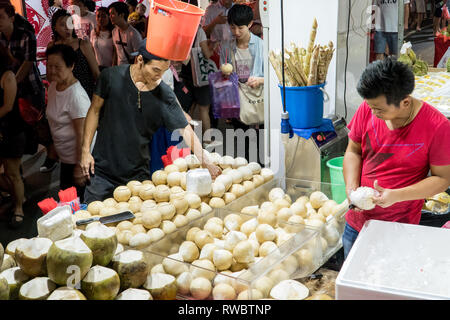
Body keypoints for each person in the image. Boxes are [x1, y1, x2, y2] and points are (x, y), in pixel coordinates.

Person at [79, 41, 222, 203]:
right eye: (155, 70)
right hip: (102, 172)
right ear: (140, 60)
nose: (159, 76)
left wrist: (206, 161)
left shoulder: (164, 94)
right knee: (92, 220)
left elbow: (185, 130)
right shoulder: (111, 77)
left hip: (137, 175)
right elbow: (94, 110)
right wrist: (85, 150)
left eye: (163, 71)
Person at [342, 57, 450, 259]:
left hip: (400, 229)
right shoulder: (369, 108)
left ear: (405, 102)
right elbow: (353, 150)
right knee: (352, 287)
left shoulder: (437, 126)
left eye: (380, 109)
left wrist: (396, 196)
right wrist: (351, 188)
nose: (372, 113)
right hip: (357, 224)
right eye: (370, 106)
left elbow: (443, 179)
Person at [0, 2, 56, 172]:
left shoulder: (25, 30)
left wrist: (12, 84)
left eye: (1, 17)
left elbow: (28, 62)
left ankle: (52, 155)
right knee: (16, 129)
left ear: (11, 17)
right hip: (10, 87)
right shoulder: (1, 35)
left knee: (38, 125)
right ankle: (18, 172)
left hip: (29, 88)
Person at [46, 44, 90, 202]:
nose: (51, 71)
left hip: (78, 161)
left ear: (71, 66)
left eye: (57, 67)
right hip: (65, 159)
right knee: (66, 201)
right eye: (49, 66)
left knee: (76, 205)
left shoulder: (77, 96)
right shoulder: (53, 87)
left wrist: (79, 167)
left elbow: (83, 135)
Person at [174, 24, 217, 148]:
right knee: (204, 109)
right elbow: (207, 54)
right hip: (200, 76)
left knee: (189, 110)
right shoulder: (199, 31)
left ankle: (189, 142)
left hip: (186, 75)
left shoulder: (180, 30)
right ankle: (208, 142)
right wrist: (213, 47)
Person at [0, 43, 26, 228]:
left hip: (11, 129)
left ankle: (19, 208)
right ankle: (19, 196)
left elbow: (8, 106)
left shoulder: (7, 76)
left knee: (12, 171)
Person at [49, 9, 100, 98]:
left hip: (84, 93)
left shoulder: (83, 44)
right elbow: (50, 74)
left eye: (70, 23)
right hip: (62, 94)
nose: (67, 28)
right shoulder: (52, 46)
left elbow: (96, 73)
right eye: (62, 25)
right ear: (55, 27)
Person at [108, 1, 142, 65]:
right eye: (109, 14)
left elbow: (138, 56)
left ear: (121, 15)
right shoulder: (114, 31)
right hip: (118, 70)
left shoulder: (134, 34)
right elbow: (116, 52)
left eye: (112, 14)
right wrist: (113, 67)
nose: (110, 17)